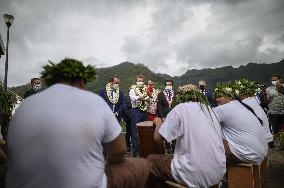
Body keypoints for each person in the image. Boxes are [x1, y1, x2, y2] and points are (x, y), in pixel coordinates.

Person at [6, 58, 151, 188]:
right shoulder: (94, 101)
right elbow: (119, 151)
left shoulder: (24, 106)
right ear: (82, 82)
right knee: (143, 165)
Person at [147, 84, 226, 188]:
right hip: (219, 171)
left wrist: (158, 123)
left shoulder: (180, 108)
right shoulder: (209, 110)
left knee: (150, 161)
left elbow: (158, 139)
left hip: (194, 173)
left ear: (180, 97)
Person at [214, 82, 268, 165]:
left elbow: (203, 122)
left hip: (247, 155)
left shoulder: (223, 109)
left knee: (208, 149)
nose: (217, 99)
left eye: (220, 96)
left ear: (229, 97)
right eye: (216, 97)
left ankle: (218, 176)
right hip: (261, 153)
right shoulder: (241, 105)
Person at [235, 79, 273, 148]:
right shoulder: (253, 99)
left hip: (261, 127)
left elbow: (265, 102)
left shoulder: (247, 101)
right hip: (263, 129)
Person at [129, 75, 149, 157]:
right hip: (136, 111)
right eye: (139, 80)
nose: (140, 82)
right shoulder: (132, 89)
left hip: (144, 111)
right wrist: (140, 97)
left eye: (142, 80)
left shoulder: (145, 89)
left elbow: (148, 97)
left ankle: (143, 150)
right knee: (135, 131)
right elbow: (133, 98)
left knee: (144, 130)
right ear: (136, 81)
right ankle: (135, 151)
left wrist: (144, 98)